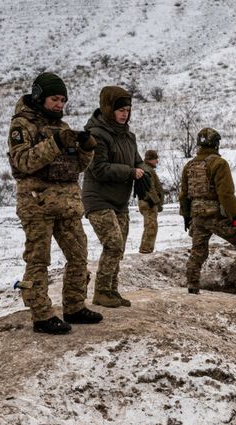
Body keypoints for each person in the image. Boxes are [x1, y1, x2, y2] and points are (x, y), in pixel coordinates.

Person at [8, 72, 101, 335]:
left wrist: (86, 149)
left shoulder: (62, 126)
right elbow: (23, 161)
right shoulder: (22, 125)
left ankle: (74, 306)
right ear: (39, 96)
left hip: (66, 204)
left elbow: (76, 167)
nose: (60, 104)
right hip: (37, 204)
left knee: (78, 255)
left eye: (63, 100)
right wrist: (55, 143)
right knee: (38, 260)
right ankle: (41, 315)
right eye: (54, 99)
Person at [82, 85, 146, 308]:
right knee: (113, 244)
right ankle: (101, 291)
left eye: (127, 109)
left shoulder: (128, 136)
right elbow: (97, 168)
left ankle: (112, 290)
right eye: (120, 109)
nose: (124, 113)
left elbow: (137, 160)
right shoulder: (96, 135)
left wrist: (142, 169)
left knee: (119, 247)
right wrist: (129, 172)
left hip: (120, 201)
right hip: (98, 198)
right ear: (108, 109)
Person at [179, 127, 236, 294]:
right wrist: (235, 217)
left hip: (197, 217)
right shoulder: (219, 164)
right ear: (216, 144)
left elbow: (184, 194)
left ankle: (192, 285)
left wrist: (186, 216)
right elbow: (226, 194)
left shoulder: (189, 165)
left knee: (198, 252)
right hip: (216, 217)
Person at [136, 149, 164, 253]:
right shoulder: (147, 170)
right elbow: (150, 188)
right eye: (156, 159)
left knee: (151, 226)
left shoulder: (146, 168)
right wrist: (157, 202)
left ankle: (147, 249)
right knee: (151, 227)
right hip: (149, 202)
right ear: (150, 159)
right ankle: (146, 249)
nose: (157, 161)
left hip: (147, 201)